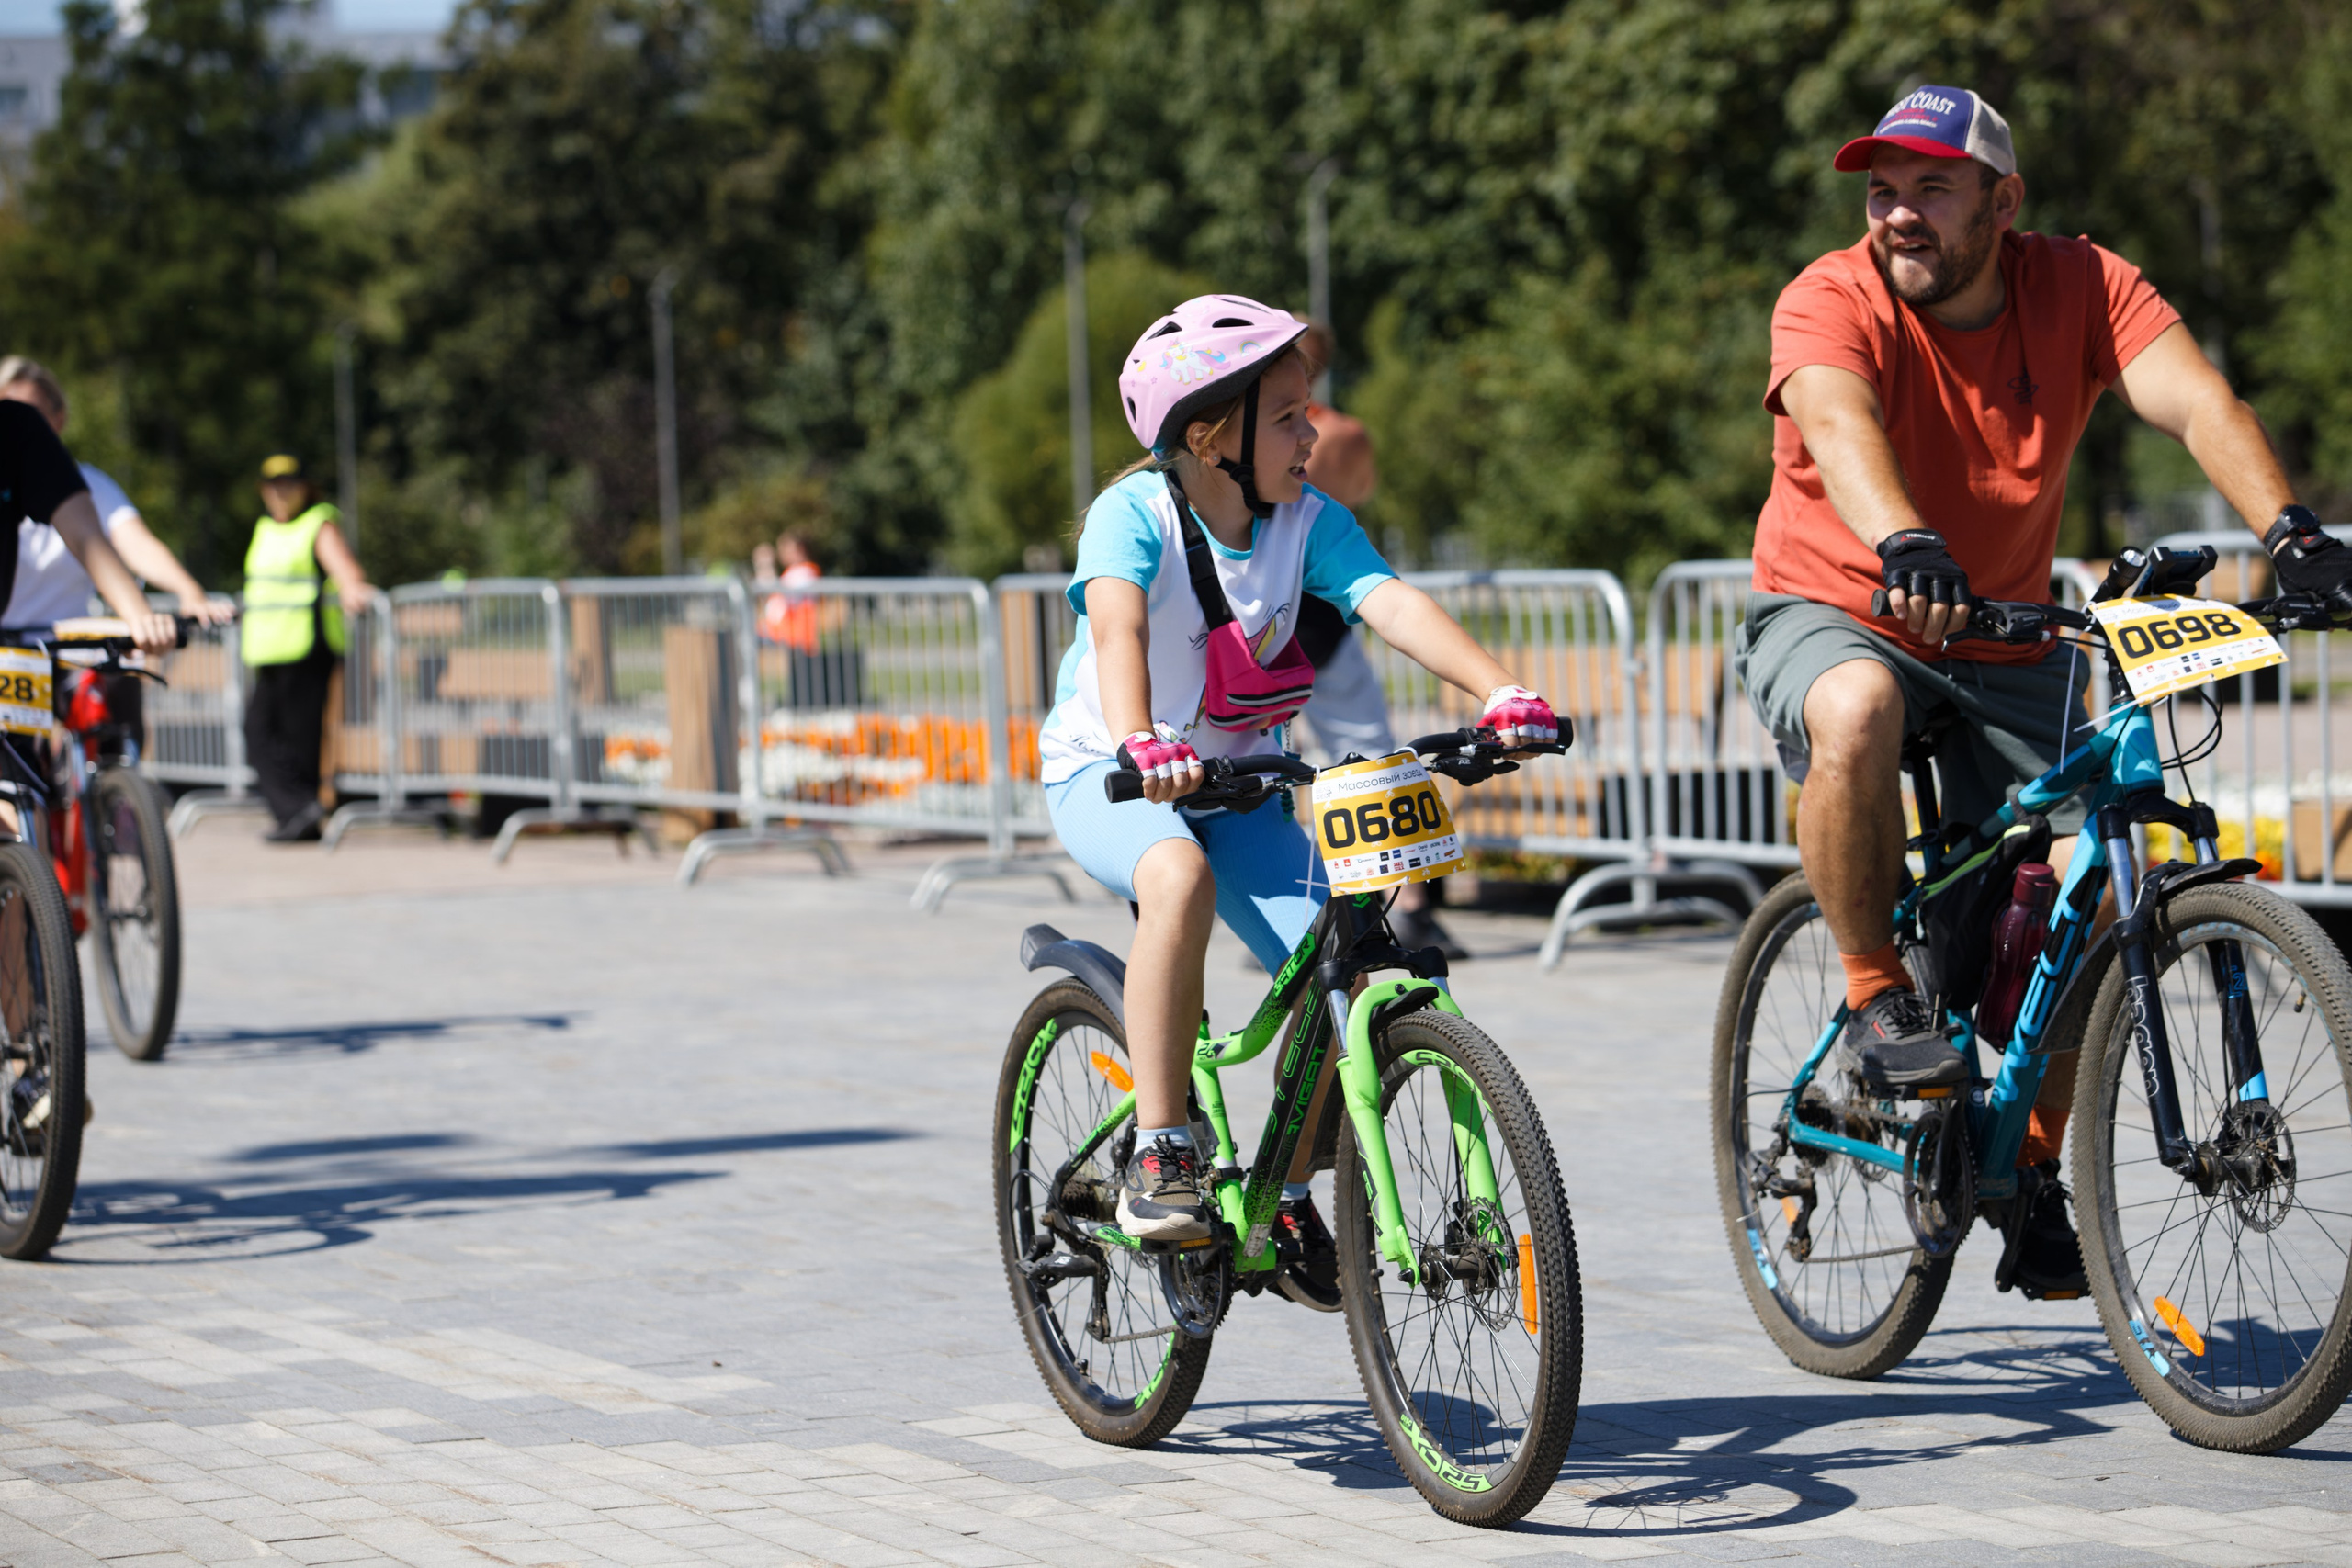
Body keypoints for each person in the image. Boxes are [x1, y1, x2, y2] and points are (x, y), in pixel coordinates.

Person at [1735, 85, 2347, 1295]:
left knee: (2092, 878)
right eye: (1882, 190)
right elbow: (1837, 417)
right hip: (1841, 606)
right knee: (1856, 707)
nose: (1897, 213)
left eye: (1932, 187)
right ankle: (1872, 992)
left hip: (2008, 638)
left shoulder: (2080, 284)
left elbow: (2194, 398)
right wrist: (1905, 539)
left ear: (2003, 202)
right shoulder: (1830, 294)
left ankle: (2025, 1164)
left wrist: (2290, 532)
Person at [1039, 293, 1557, 1260]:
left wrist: (1501, 692)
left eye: (1307, 409)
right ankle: (1160, 1147)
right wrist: (1140, 739)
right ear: (1209, 438)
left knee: (1345, 969)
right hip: (1111, 775)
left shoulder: (1306, 519)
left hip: (1237, 786)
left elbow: (1388, 601)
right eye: (1285, 416)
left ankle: (1282, 1192)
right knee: (1176, 877)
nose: (1310, 434)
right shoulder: (1133, 514)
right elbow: (1118, 631)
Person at [1286, 317, 1462, 957]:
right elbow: (1360, 492)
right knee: (1367, 756)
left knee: (1268, 769)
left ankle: (1296, 908)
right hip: (1323, 613)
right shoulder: (1343, 435)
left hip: (1258, 624)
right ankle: (1408, 906)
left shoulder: (1249, 444)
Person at [242, 455, 369, 843]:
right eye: (273, 485)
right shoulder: (265, 528)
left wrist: (351, 588)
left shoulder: (318, 523)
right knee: (258, 732)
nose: (280, 492)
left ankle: (302, 814)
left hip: (308, 646)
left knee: (300, 738)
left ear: (304, 488)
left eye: (289, 484)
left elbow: (346, 571)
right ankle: (298, 811)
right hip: (269, 648)